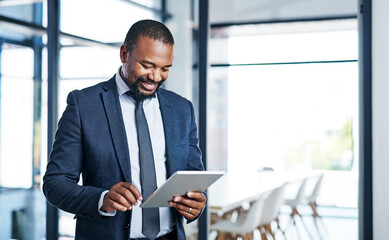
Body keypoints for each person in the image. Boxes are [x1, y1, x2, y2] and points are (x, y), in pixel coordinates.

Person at [43, 19, 206, 240]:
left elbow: (193, 177)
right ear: (124, 54)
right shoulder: (84, 106)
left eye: (165, 68)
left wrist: (196, 203)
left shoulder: (182, 109)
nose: (156, 77)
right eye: (147, 66)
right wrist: (101, 199)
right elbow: (55, 183)